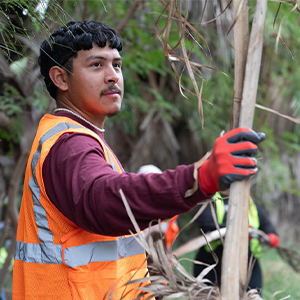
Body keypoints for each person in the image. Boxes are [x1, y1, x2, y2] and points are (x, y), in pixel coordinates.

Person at [12, 20, 266, 300]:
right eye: (97, 65)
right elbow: (104, 200)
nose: (113, 76)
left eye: (117, 65)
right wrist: (200, 176)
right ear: (60, 78)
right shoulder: (69, 144)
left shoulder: (78, 138)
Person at [193, 191, 280, 293]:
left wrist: (271, 236)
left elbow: (265, 224)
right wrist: (238, 230)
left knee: (252, 295)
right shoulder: (212, 198)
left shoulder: (249, 201)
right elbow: (206, 223)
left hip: (249, 263)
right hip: (212, 262)